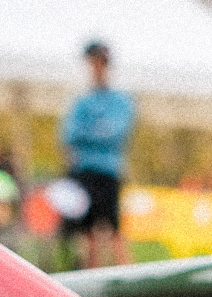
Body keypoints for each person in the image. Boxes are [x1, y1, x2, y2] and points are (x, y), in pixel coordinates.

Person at [60, 42, 135, 269]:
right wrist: (99, 131)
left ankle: (127, 275)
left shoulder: (120, 101)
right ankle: (91, 277)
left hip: (108, 174)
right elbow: (70, 135)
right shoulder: (81, 101)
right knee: (87, 232)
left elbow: (116, 133)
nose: (94, 67)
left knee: (114, 229)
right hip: (83, 173)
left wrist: (90, 133)